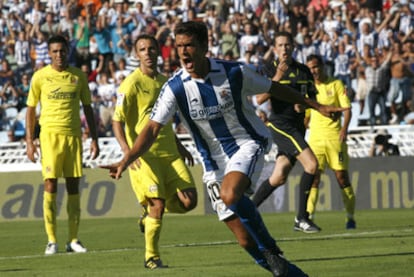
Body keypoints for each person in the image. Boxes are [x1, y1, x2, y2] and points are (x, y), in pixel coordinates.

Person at [102, 21, 346, 277]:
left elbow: (275, 89)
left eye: (190, 46)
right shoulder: (174, 87)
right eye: (179, 47)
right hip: (212, 164)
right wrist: (126, 159)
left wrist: (316, 106)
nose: (184, 52)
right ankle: (291, 274)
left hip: (247, 143)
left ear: (205, 46)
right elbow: (151, 129)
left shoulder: (235, 73)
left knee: (230, 195)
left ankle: (271, 248)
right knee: (244, 241)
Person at [112, 34, 198, 269]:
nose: (148, 53)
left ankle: (148, 215)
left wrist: (180, 146)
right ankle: (152, 257)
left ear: (158, 51)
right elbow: (117, 121)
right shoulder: (131, 83)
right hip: (144, 157)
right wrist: (127, 151)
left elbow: (167, 120)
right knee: (158, 205)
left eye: (151, 48)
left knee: (189, 201)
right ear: (136, 54)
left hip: (169, 153)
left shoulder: (166, 82)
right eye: (143, 49)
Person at [25, 35, 100, 255]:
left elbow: (88, 108)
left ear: (68, 51)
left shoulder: (78, 76)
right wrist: (30, 141)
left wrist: (94, 138)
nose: (59, 55)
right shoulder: (40, 77)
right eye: (55, 51)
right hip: (49, 137)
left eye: (62, 51)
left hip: (73, 137)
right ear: (49, 53)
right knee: (50, 184)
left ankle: (73, 239)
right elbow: (31, 110)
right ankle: (51, 240)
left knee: (74, 186)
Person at [251, 31, 322, 234]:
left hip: (297, 126)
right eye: (280, 45)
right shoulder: (268, 69)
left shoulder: (303, 71)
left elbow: (310, 98)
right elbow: (259, 100)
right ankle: (302, 217)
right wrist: (277, 78)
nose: (284, 48)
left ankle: (247, 210)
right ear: (275, 49)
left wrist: (305, 108)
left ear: (293, 47)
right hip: (281, 125)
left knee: (279, 176)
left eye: (287, 45)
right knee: (312, 164)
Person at [305, 54, 356, 229]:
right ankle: (309, 215)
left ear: (323, 67)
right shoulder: (309, 88)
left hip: (335, 138)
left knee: (341, 178)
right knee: (314, 178)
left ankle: (350, 217)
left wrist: (344, 129)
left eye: (316, 67)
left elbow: (347, 109)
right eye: (310, 68)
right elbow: (306, 116)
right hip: (315, 140)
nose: (314, 71)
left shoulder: (336, 84)